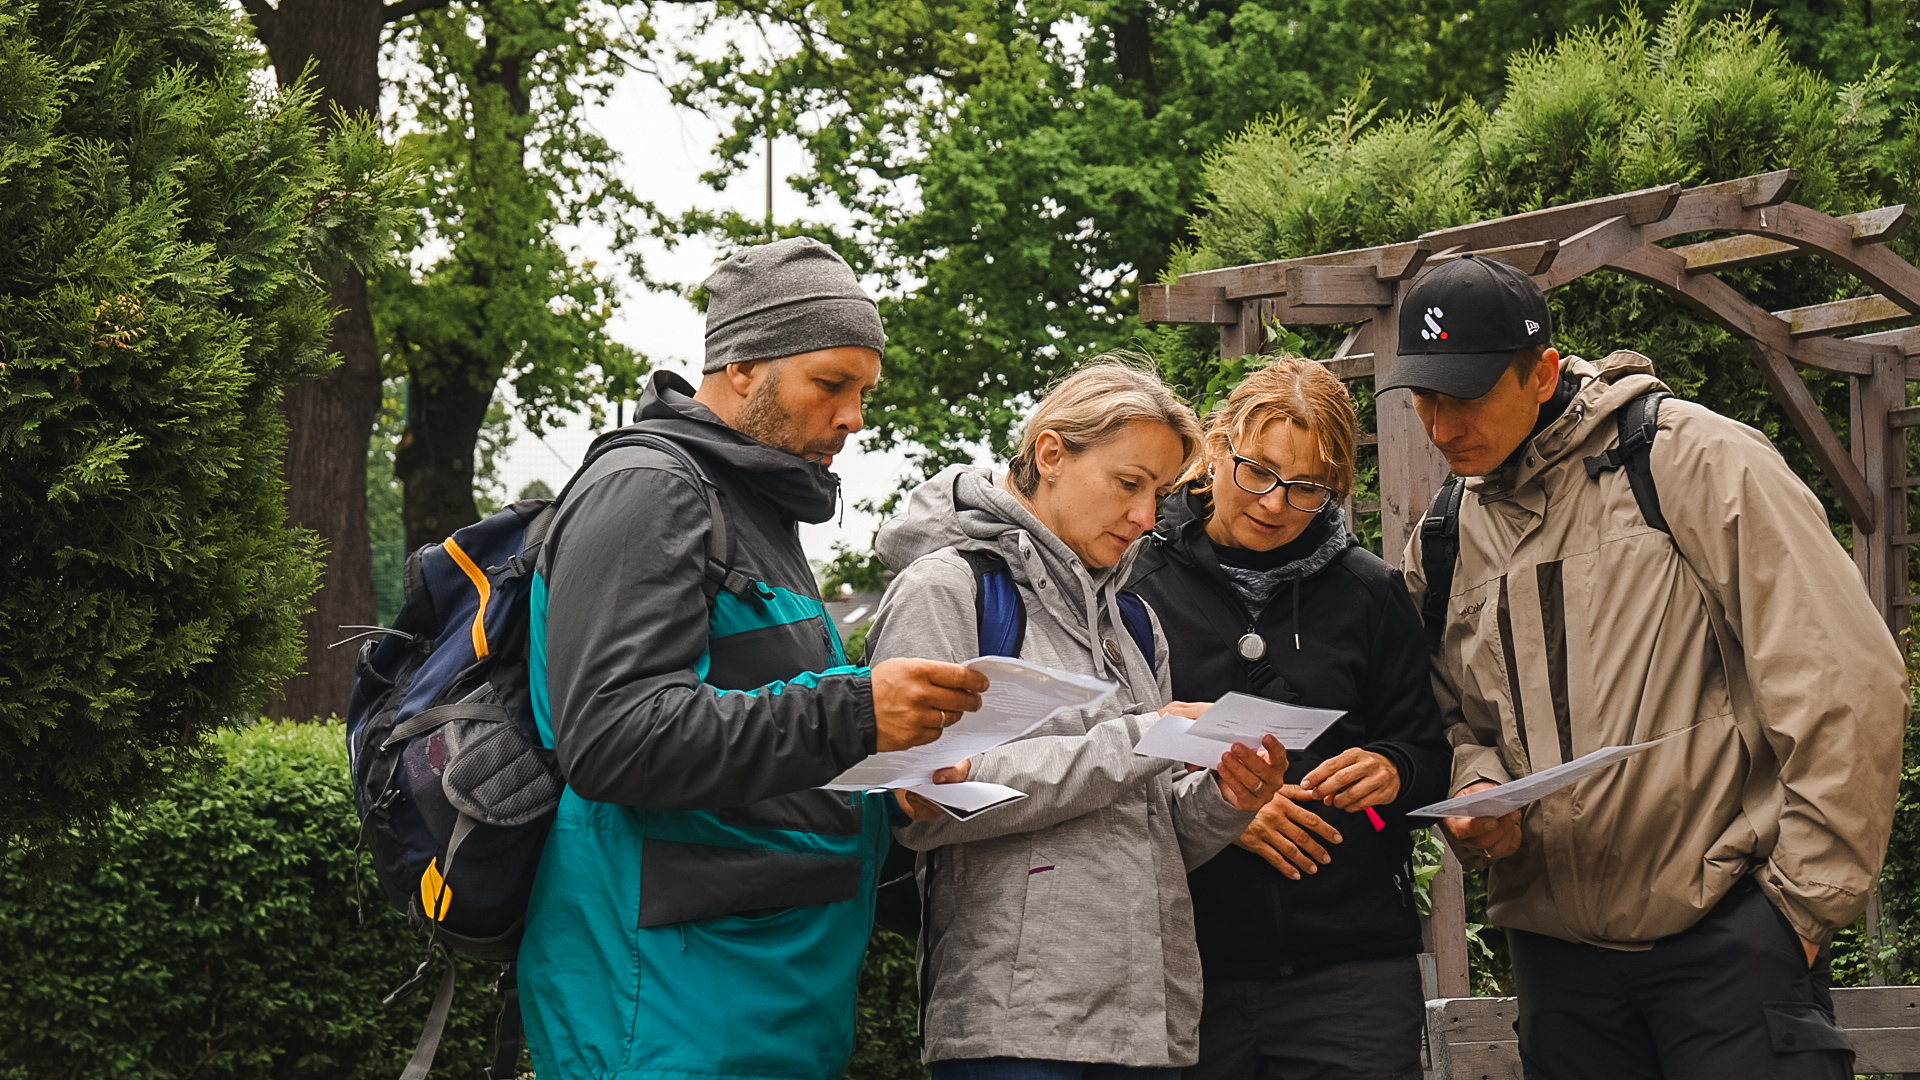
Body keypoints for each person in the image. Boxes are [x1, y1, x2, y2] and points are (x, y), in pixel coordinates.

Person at [1389, 253, 1909, 1079]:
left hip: (1733, 942)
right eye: (1424, 399)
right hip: (1560, 974)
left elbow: (1844, 679)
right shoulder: (1446, 537)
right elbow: (1450, 718)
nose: (1442, 426)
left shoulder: (1692, 460)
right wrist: (1479, 785)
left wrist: (1801, 911)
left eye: (1466, 397)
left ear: (1543, 372)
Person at [518, 237, 991, 1080]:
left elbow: (769, 747)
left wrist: (896, 776)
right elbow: (615, 739)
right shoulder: (650, 489)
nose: (852, 417)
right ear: (740, 365)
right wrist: (856, 710)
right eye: (831, 384)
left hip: (766, 998)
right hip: (665, 1006)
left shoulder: (757, 510)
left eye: (863, 392)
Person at [862, 360, 1289, 1080]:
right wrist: (1141, 740)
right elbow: (921, 806)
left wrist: (1226, 800)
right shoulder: (948, 589)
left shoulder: (1135, 621)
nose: (1147, 517)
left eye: (1159, 493)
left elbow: (1149, 830)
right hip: (1013, 1032)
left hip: (1150, 1030)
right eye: (1129, 484)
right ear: (1052, 454)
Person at [1127, 358, 1449, 1080]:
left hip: (1353, 976)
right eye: (1257, 472)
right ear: (1217, 446)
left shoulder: (1372, 593)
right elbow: (1105, 751)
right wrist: (1226, 811)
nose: (1275, 504)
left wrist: (1392, 768)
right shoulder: (1135, 582)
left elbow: (1428, 749)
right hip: (1187, 969)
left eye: (1307, 488)